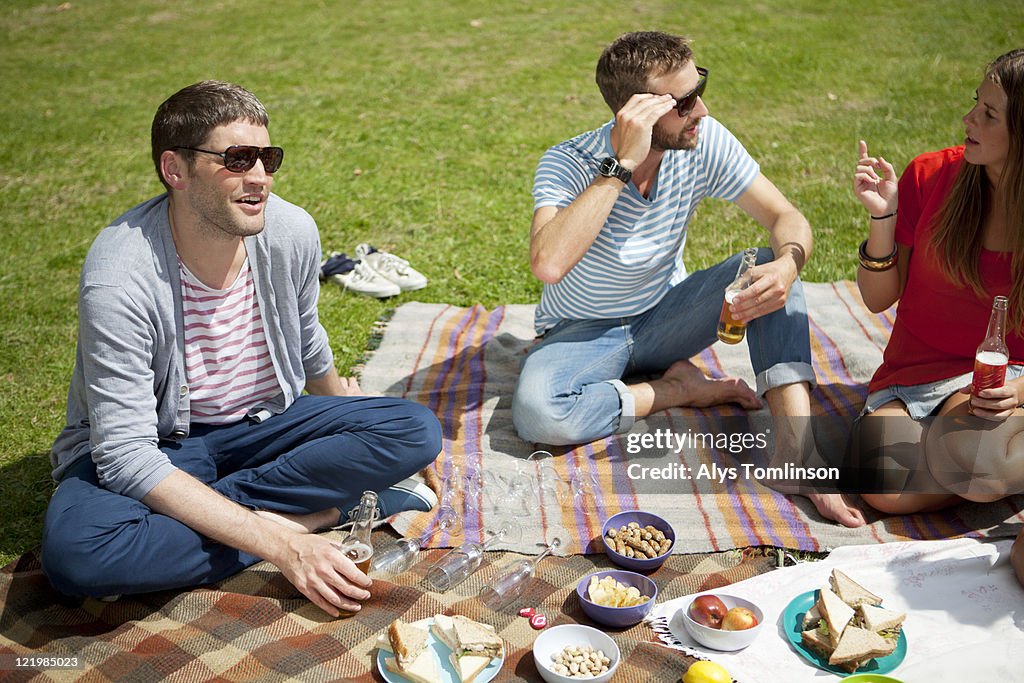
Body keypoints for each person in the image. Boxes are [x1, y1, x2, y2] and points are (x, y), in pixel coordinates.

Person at [41, 81, 442, 617]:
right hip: (161, 443)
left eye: (267, 158)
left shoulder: (290, 231)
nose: (260, 178)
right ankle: (312, 515)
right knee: (78, 558)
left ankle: (187, 531)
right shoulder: (120, 277)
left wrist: (342, 403)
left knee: (413, 429)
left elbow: (306, 335)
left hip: (262, 428)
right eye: (236, 159)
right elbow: (123, 456)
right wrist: (282, 543)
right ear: (175, 170)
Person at [511, 31, 866, 527]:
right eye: (685, 103)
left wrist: (788, 263)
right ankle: (682, 389)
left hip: (667, 316)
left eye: (699, 88)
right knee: (538, 413)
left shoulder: (704, 138)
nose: (701, 111)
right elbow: (548, 263)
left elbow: (786, 217)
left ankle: (796, 455)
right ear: (636, 114)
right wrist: (621, 165)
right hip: (581, 332)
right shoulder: (568, 162)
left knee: (767, 261)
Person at [850, 49, 1024, 516]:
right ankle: (989, 475)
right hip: (915, 377)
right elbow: (876, 297)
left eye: (988, 114)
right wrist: (882, 217)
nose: (968, 118)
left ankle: (983, 465)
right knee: (882, 484)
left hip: (1005, 382)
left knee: (975, 462)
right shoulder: (931, 175)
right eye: (975, 103)